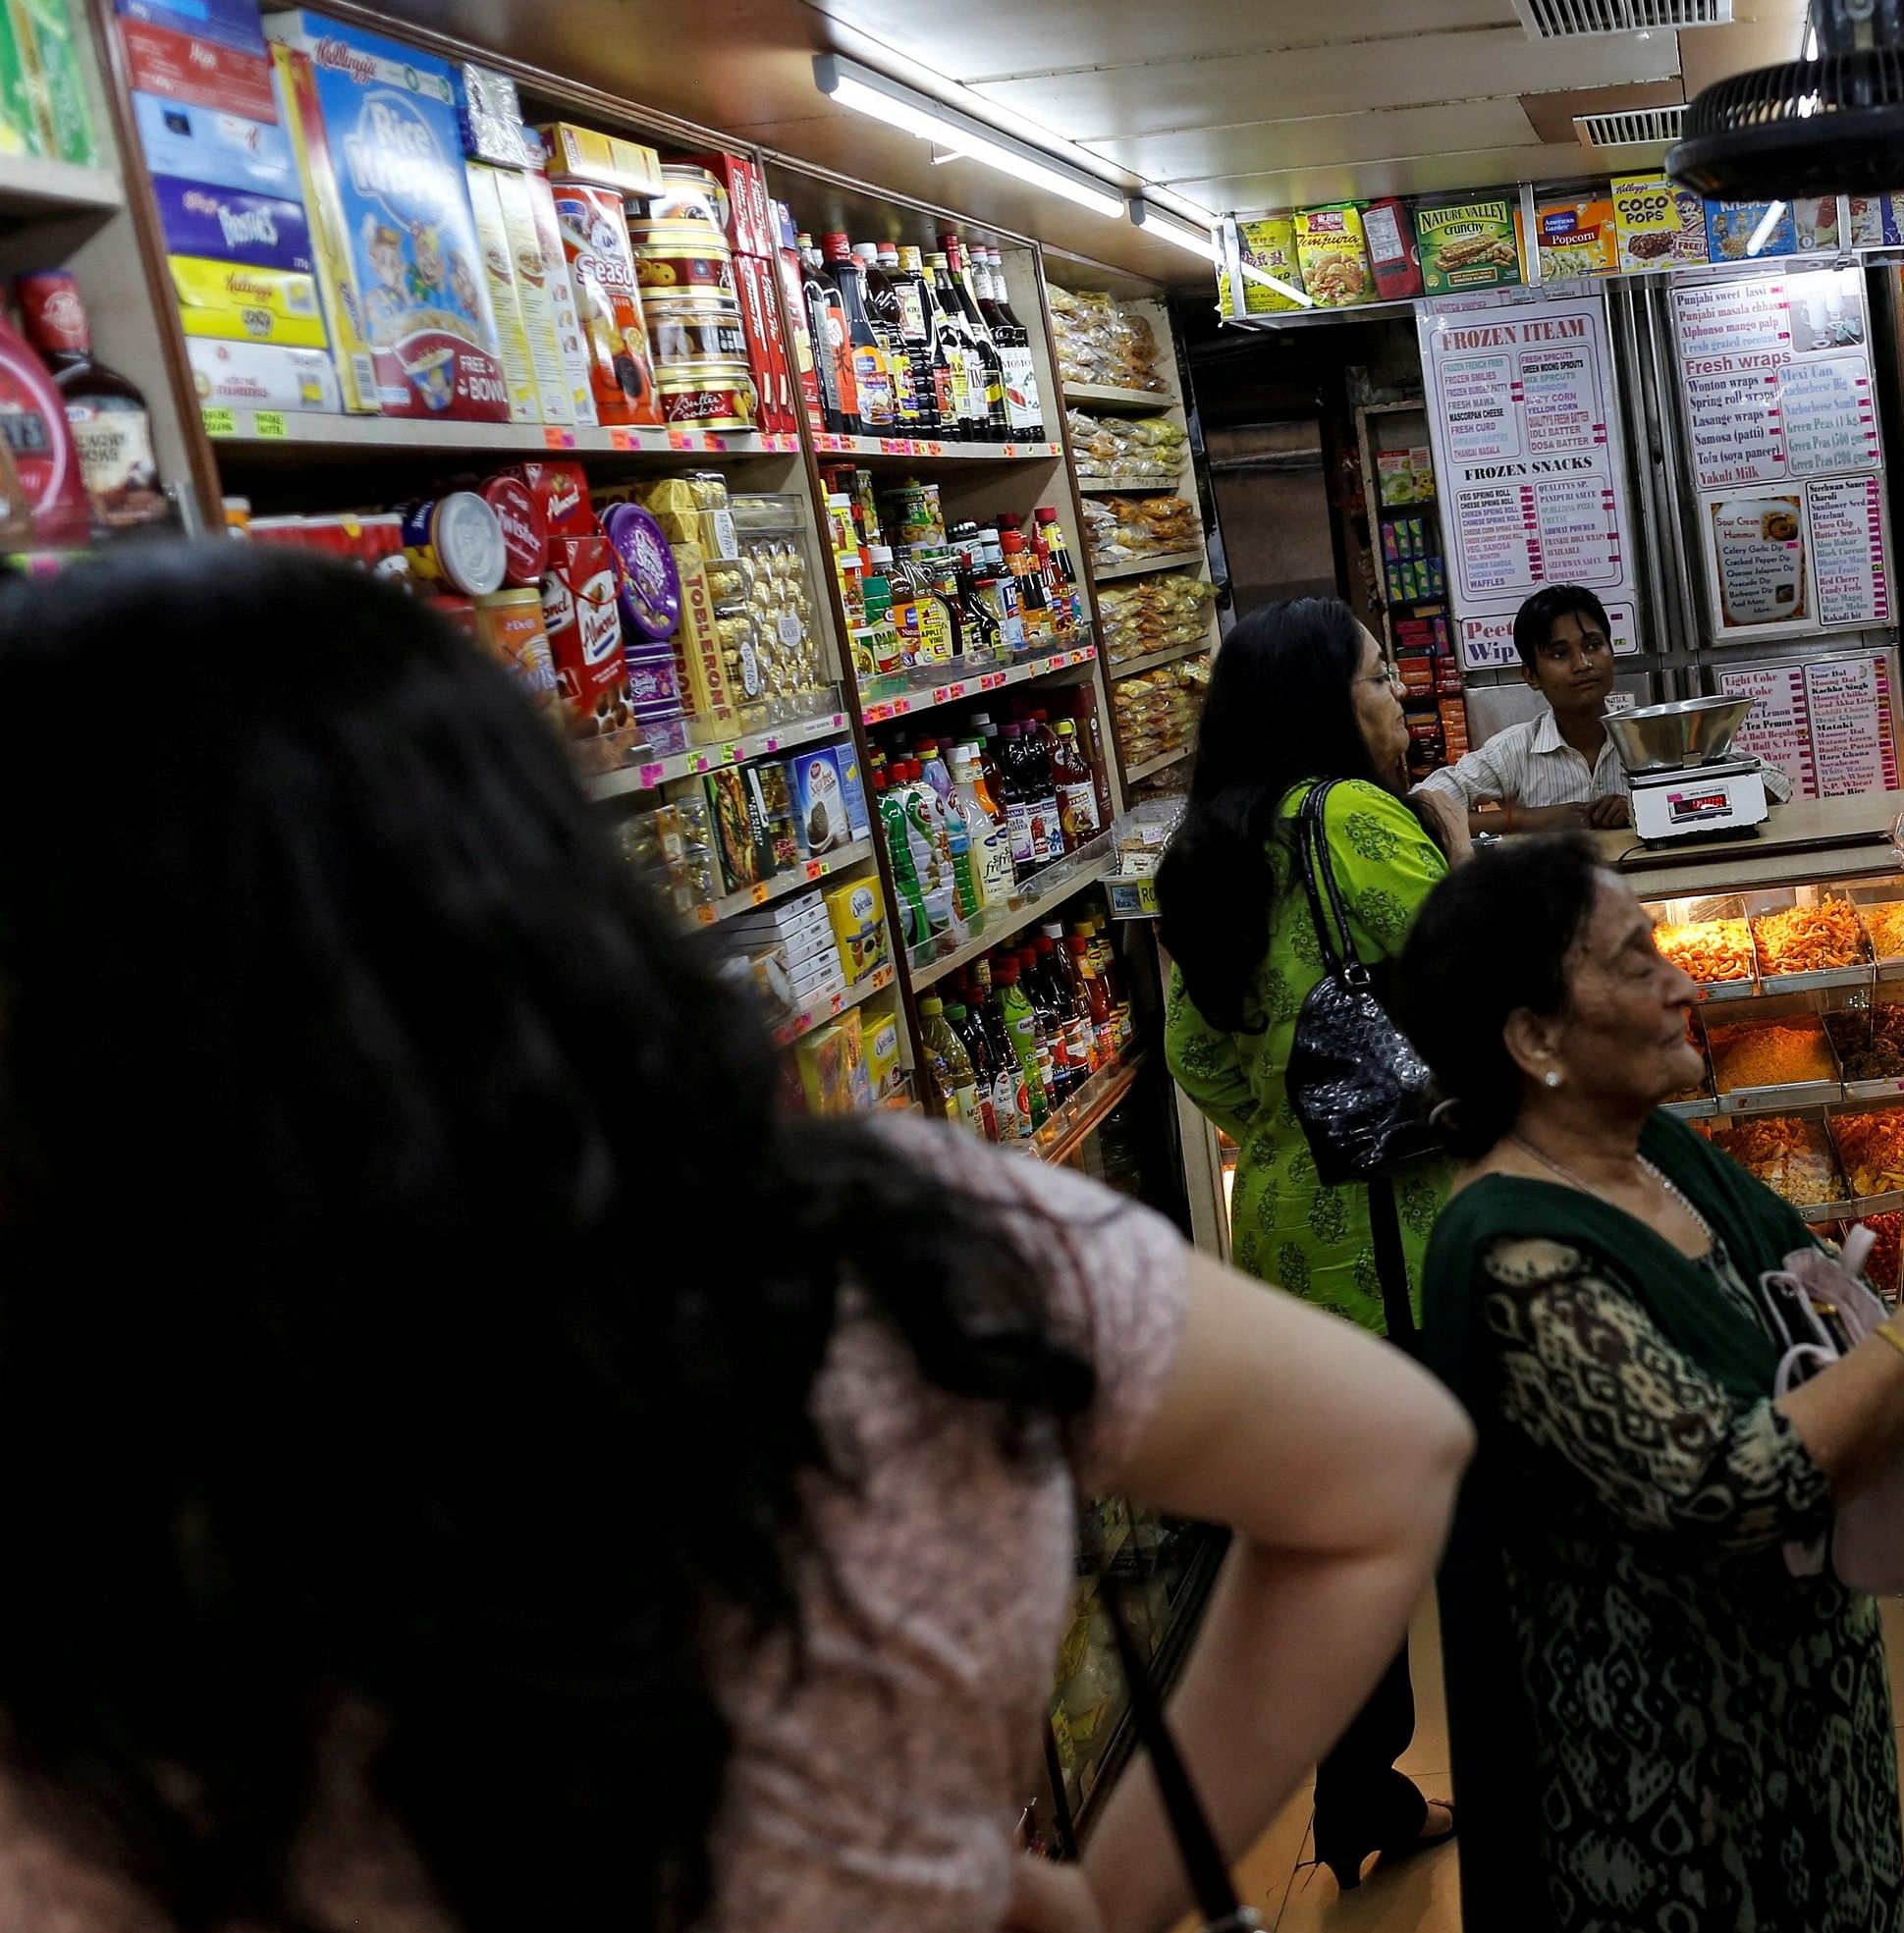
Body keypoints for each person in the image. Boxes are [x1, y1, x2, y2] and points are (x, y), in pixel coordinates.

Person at [0, 546, 1472, 1933]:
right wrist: (1108, 1896)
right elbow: (1384, 1462)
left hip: (1294, 1213)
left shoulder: (99, 1563)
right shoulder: (894, 1264)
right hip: (1377, 1230)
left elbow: (1210, 1070)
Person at [1400, 836, 1904, 1933]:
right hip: (1674, 1790)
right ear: (1533, 1040)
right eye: (1632, 964)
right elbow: (1728, 1480)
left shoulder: (1659, 1152)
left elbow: (1805, 1305)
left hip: (1806, 1734)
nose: (1680, 983)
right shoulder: (1516, 1256)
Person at [1152, 593, 1467, 1886]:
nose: (1398, 701)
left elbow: (1196, 1063)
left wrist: (1292, 1127)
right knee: (1465, 1518)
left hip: (1287, 1236)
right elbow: (1471, 973)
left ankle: (1357, 1807)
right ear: (1322, 706)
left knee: (1346, 1537)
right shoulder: (1353, 818)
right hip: (1410, 1224)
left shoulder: (1205, 850)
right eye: (1382, 680)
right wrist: (1450, 838)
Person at [1414, 584, 1637, 832]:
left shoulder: (1646, 737)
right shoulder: (1514, 752)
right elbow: (1417, 810)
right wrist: (1522, 820)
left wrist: (1641, 809)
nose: (1583, 664)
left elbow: (1686, 804)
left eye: (1593, 645)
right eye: (1560, 654)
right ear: (1532, 676)